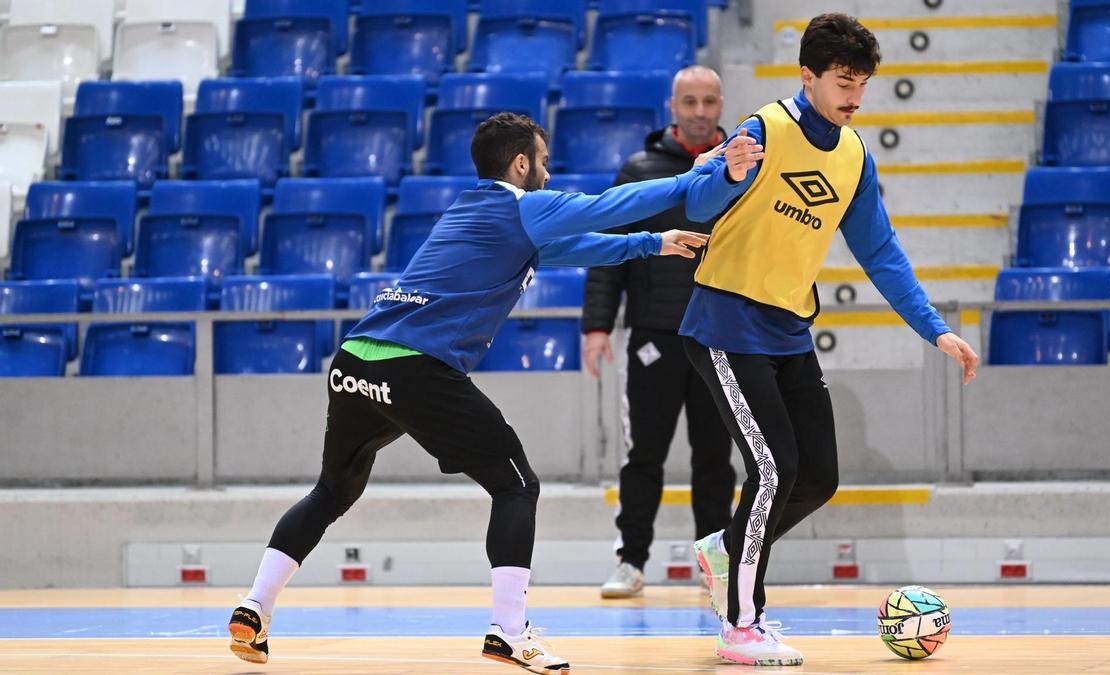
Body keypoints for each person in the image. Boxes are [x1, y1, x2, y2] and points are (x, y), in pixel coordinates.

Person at [224, 112, 764, 673]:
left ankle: (255, 605)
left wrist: (656, 243)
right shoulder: (521, 207)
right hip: (417, 369)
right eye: (545, 163)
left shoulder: (471, 210)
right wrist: (698, 177)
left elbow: (572, 248)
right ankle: (508, 631)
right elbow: (612, 204)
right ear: (521, 163)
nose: (550, 175)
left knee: (332, 491)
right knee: (517, 486)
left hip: (357, 361)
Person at [681, 14, 980, 667]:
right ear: (808, 76)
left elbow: (882, 251)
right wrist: (724, 175)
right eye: (844, 82)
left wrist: (935, 327)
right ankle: (741, 623)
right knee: (773, 468)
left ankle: (724, 552)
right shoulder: (763, 129)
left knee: (817, 475)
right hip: (726, 324)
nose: (854, 97)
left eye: (863, 84)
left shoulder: (851, 155)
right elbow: (697, 205)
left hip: (789, 330)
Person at [583, 66, 737, 599]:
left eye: (708, 102)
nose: (699, 112)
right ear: (673, 106)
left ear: (721, 105)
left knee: (716, 458)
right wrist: (597, 326)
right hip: (654, 336)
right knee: (642, 454)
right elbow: (607, 253)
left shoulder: (744, 168)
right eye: (689, 102)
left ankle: (716, 565)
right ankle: (631, 560)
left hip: (722, 336)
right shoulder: (640, 170)